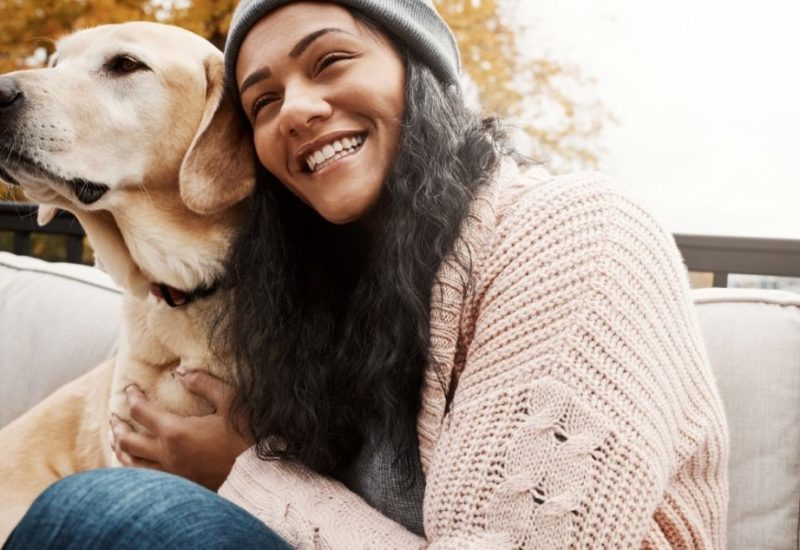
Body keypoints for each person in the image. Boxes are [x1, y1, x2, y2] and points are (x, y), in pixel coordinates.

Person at [4, 0, 728, 548]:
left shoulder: (576, 233)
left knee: (113, 511)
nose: (297, 109)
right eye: (263, 102)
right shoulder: (310, 289)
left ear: (421, 74)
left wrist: (245, 472)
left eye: (330, 61)